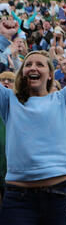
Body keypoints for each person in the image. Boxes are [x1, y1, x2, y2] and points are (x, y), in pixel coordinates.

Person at [0, 9, 66, 225]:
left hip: (61, 196)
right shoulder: (9, 101)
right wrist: (4, 40)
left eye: (40, 64)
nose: (33, 67)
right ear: (23, 73)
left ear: (51, 74)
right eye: (29, 65)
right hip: (17, 200)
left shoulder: (64, 99)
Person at [0, 71, 15, 204]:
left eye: (10, 80)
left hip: (11, 171)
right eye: (3, 80)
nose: (6, 83)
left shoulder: (19, 107)